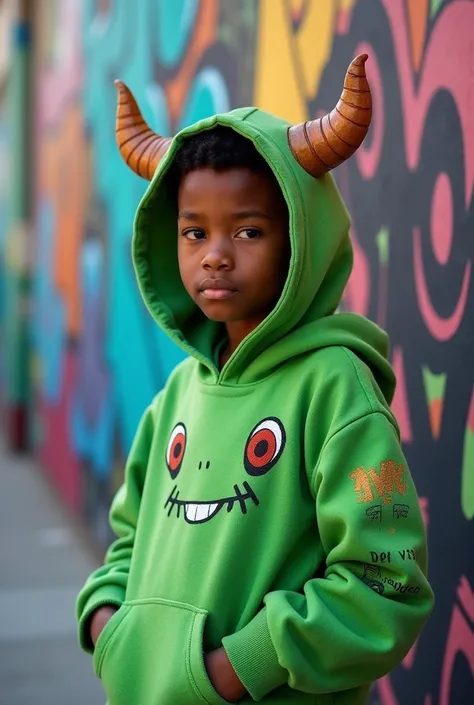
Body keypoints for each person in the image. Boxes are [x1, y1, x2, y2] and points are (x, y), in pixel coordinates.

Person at [76, 55, 434, 704]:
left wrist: (230, 670)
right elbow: (128, 536)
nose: (215, 253)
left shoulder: (336, 389)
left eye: (248, 230)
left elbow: (386, 585)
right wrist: (109, 623)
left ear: (299, 237)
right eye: (194, 231)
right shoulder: (179, 392)